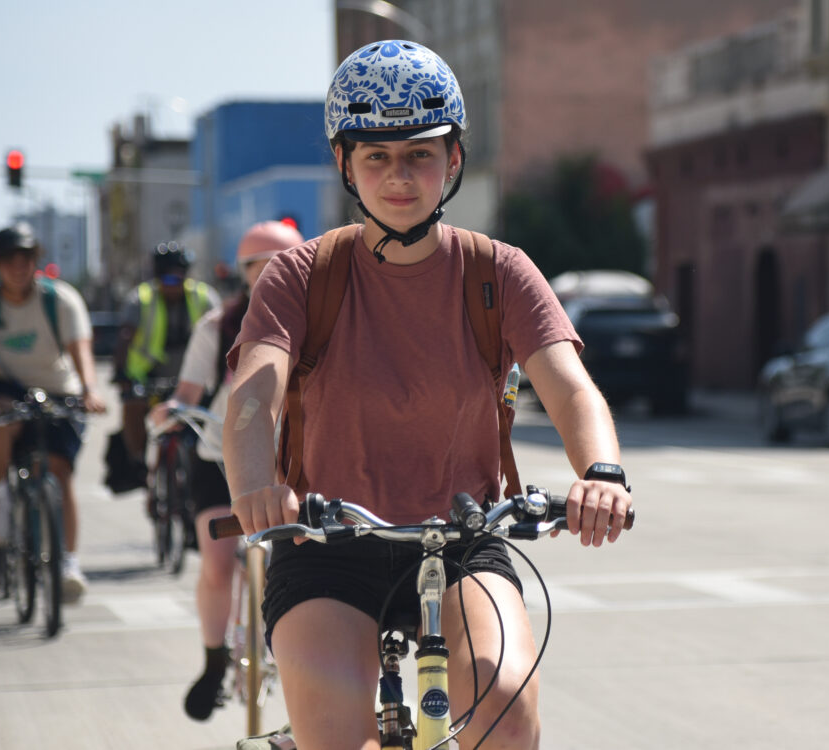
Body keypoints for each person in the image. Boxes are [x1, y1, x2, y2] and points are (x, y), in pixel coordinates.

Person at [223, 40, 633, 749]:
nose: (399, 176)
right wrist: (256, 485)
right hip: (326, 542)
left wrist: (600, 474)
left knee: (505, 709)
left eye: (419, 152)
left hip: (464, 537)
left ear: (454, 159)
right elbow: (254, 398)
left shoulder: (499, 272)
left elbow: (569, 388)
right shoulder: (300, 276)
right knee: (337, 737)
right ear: (346, 164)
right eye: (376, 156)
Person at [147, 220, 305, 721]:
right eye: (263, 269)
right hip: (219, 457)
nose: (274, 278)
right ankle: (214, 660)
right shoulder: (217, 327)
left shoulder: (321, 325)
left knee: (304, 569)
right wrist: (170, 408)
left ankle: (300, 664)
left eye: (285, 268)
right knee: (217, 562)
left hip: (295, 467)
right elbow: (190, 392)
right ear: (245, 274)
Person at [0, 224, 107, 601]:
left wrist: (90, 389)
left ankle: (68, 561)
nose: (19, 267)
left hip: (57, 388)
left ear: (37, 262)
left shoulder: (61, 299)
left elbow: (81, 350)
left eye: (26, 259)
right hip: (3, 386)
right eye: (9, 260)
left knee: (60, 472)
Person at [113, 242, 220, 478]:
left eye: (179, 279)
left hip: (194, 375)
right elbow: (125, 337)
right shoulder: (140, 298)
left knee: (213, 411)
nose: (174, 286)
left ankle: (205, 461)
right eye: (167, 280)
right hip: (150, 374)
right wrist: (121, 373)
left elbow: (224, 334)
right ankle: (139, 461)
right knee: (132, 403)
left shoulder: (204, 296)